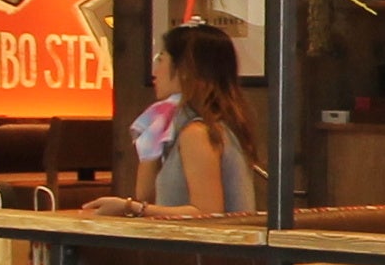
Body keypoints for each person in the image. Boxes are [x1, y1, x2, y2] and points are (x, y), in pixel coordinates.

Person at [87, 23, 264, 220]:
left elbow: (207, 213)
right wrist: (154, 136)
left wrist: (130, 208)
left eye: (161, 59)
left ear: (185, 70)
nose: (155, 71)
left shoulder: (198, 133)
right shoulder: (181, 126)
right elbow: (145, 194)